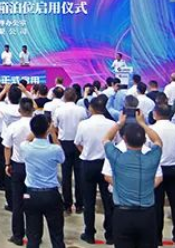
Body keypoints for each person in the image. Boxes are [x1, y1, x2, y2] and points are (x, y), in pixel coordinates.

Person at [101, 110, 163, 248]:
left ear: (124, 139)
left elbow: (106, 139)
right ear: (144, 140)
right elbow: (158, 141)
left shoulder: (117, 158)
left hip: (123, 215)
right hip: (147, 214)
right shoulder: (152, 158)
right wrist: (143, 123)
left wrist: (119, 123)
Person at [16, 113, 65, 248]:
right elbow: (62, 158)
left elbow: (27, 138)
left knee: (33, 236)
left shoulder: (25, 147)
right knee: (57, 235)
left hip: (31, 194)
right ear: (47, 128)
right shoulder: (55, 149)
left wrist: (37, 129)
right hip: (51, 194)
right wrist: (52, 133)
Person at [74, 95, 116, 244]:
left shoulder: (83, 125)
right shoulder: (112, 124)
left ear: (91, 108)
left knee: (88, 201)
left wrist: (86, 152)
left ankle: (89, 233)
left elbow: (77, 143)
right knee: (108, 200)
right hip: (107, 164)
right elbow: (116, 144)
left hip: (88, 164)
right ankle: (110, 234)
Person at [149, 104, 175, 246]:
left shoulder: (151, 130)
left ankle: (157, 237)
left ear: (155, 114)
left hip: (156, 170)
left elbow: (147, 150)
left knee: (157, 205)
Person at [3, 97, 35, 245]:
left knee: (17, 202)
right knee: (31, 201)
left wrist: (7, 164)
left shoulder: (13, 126)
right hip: (33, 167)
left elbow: (7, 147)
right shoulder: (37, 125)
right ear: (32, 110)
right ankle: (33, 235)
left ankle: (17, 236)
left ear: (19, 110)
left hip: (17, 167)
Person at [52, 87, 87, 214]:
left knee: (66, 175)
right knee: (79, 174)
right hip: (79, 144)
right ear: (76, 97)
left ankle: (67, 204)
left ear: (64, 97)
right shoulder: (82, 110)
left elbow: (54, 127)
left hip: (64, 143)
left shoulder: (59, 110)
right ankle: (79, 204)